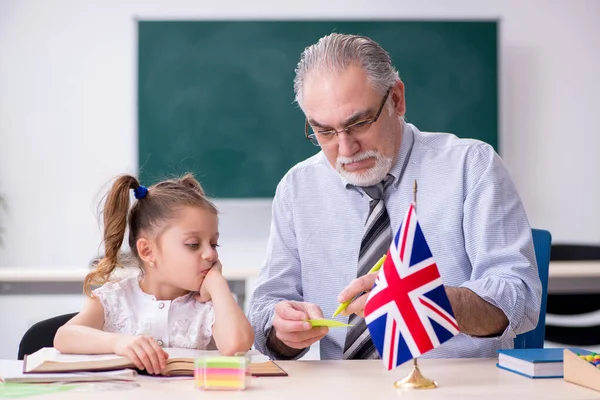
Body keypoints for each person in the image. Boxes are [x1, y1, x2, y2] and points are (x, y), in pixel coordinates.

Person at [248, 33, 542, 360]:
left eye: (358, 123)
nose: (345, 149)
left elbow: (521, 297)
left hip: (454, 387)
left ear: (397, 99)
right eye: (325, 131)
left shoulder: (471, 166)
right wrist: (280, 330)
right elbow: (264, 307)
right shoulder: (297, 188)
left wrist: (430, 301)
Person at [54, 174, 254, 374]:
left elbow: (236, 345)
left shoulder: (211, 307)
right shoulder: (114, 298)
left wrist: (218, 284)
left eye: (213, 244)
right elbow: (64, 337)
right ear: (148, 251)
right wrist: (118, 343)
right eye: (193, 245)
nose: (211, 254)